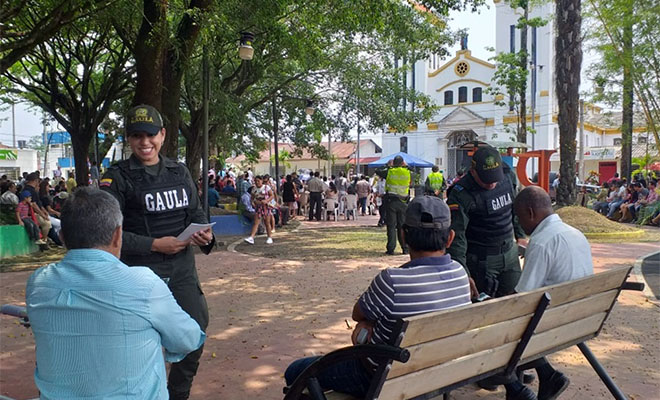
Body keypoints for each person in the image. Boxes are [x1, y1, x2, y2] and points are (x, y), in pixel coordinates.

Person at [26, 187, 205, 399]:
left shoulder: (39, 282)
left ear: (62, 237)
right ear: (118, 235)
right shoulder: (144, 284)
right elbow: (188, 339)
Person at [283, 196, 471, 397]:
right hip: (438, 372)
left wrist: (367, 324)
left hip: (378, 377)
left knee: (295, 370)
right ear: (450, 238)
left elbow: (358, 314)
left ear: (403, 236)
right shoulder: (461, 274)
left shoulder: (392, 280)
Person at [100, 104, 214, 399]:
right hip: (138, 273)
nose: (145, 142)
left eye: (150, 135)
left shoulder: (179, 171)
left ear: (162, 134)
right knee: (138, 342)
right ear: (128, 139)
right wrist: (153, 244)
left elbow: (195, 213)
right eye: (137, 136)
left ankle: (177, 393)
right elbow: (108, 233)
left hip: (182, 270)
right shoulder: (116, 178)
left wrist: (205, 235)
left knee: (195, 331)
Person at [512, 185, 593, 400]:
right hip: (584, 317)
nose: (519, 223)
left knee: (503, 330)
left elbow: (523, 297)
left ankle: (516, 389)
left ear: (530, 212)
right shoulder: (576, 233)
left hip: (553, 324)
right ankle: (547, 376)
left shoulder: (541, 242)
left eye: (520, 217)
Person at [447, 145, 526, 299]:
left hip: (509, 252)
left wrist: (520, 235)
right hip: (482, 261)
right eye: (485, 179)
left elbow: (514, 207)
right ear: (473, 171)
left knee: (516, 300)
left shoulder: (508, 175)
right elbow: (457, 237)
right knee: (483, 305)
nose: (491, 184)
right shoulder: (461, 193)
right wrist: (463, 273)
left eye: (494, 178)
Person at [383, 155, 411, 255]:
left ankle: (391, 249)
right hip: (404, 202)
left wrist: (388, 165)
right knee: (402, 226)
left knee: (391, 226)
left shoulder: (389, 171)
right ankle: (405, 248)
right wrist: (406, 166)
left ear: (394, 163)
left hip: (392, 201)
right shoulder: (408, 172)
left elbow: (378, 170)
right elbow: (416, 175)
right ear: (403, 163)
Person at [244, 175, 274, 244]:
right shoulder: (254, 189)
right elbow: (252, 198)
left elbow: (271, 195)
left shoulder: (266, 187)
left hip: (266, 207)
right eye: (256, 181)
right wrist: (253, 202)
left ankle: (269, 237)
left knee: (267, 222)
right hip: (258, 207)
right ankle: (251, 237)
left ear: (261, 181)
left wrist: (267, 200)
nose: (257, 182)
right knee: (256, 222)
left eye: (258, 181)